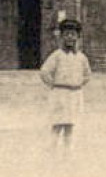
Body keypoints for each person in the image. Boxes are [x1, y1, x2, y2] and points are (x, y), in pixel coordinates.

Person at [39, 17, 92, 149]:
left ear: (77, 37)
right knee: (58, 123)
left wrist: (78, 84)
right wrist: (54, 85)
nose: (70, 38)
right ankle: (52, 147)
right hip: (60, 94)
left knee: (70, 124)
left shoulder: (81, 57)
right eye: (66, 34)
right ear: (61, 37)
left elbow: (87, 74)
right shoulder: (57, 55)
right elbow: (44, 72)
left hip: (74, 95)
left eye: (73, 35)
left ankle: (67, 150)